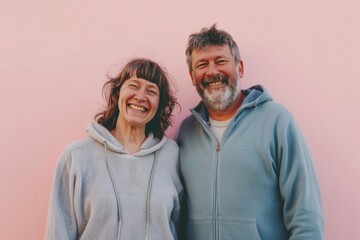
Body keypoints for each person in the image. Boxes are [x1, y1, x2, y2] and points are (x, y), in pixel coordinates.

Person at [176, 25, 324, 239]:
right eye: (202, 64)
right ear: (192, 76)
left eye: (221, 61)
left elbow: (306, 215)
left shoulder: (277, 121)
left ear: (240, 68)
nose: (212, 71)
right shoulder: (186, 131)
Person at [45, 58, 183, 240]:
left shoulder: (172, 156)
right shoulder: (77, 156)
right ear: (118, 93)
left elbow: (182, 227)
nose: (141, 97)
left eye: (151, 91)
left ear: (159, 105)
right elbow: (58, 231)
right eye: (134, 86)